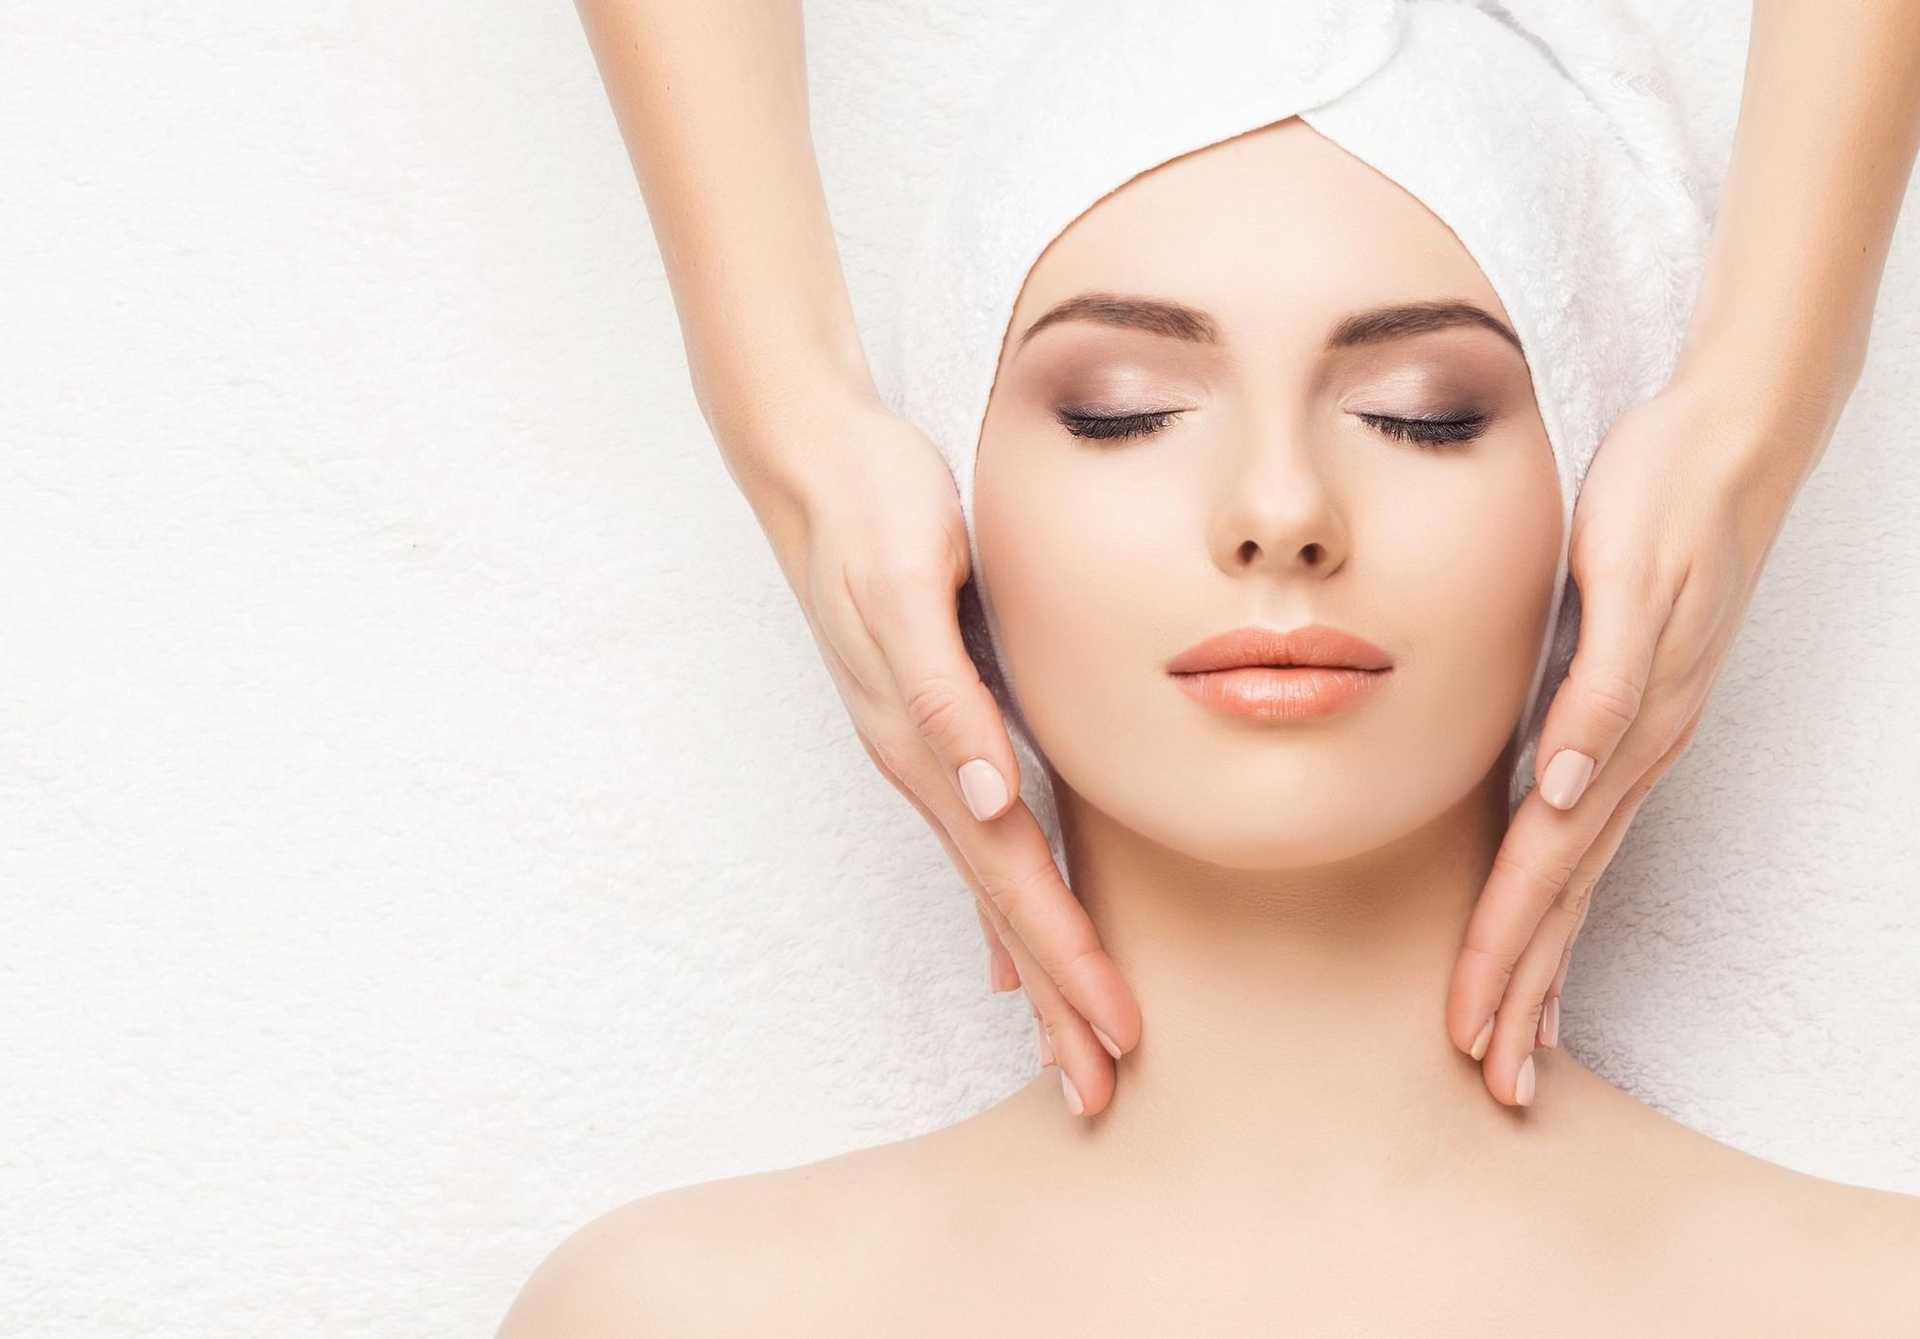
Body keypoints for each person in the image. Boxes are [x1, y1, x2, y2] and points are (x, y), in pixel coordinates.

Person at [499, 114, 1920, 1337]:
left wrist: (1762, 399)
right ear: (951, 533)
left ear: (1603, 521)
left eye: (1425, 414)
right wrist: (785, 417)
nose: (1281, 513)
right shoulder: (673, 1317)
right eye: (1122, 412)